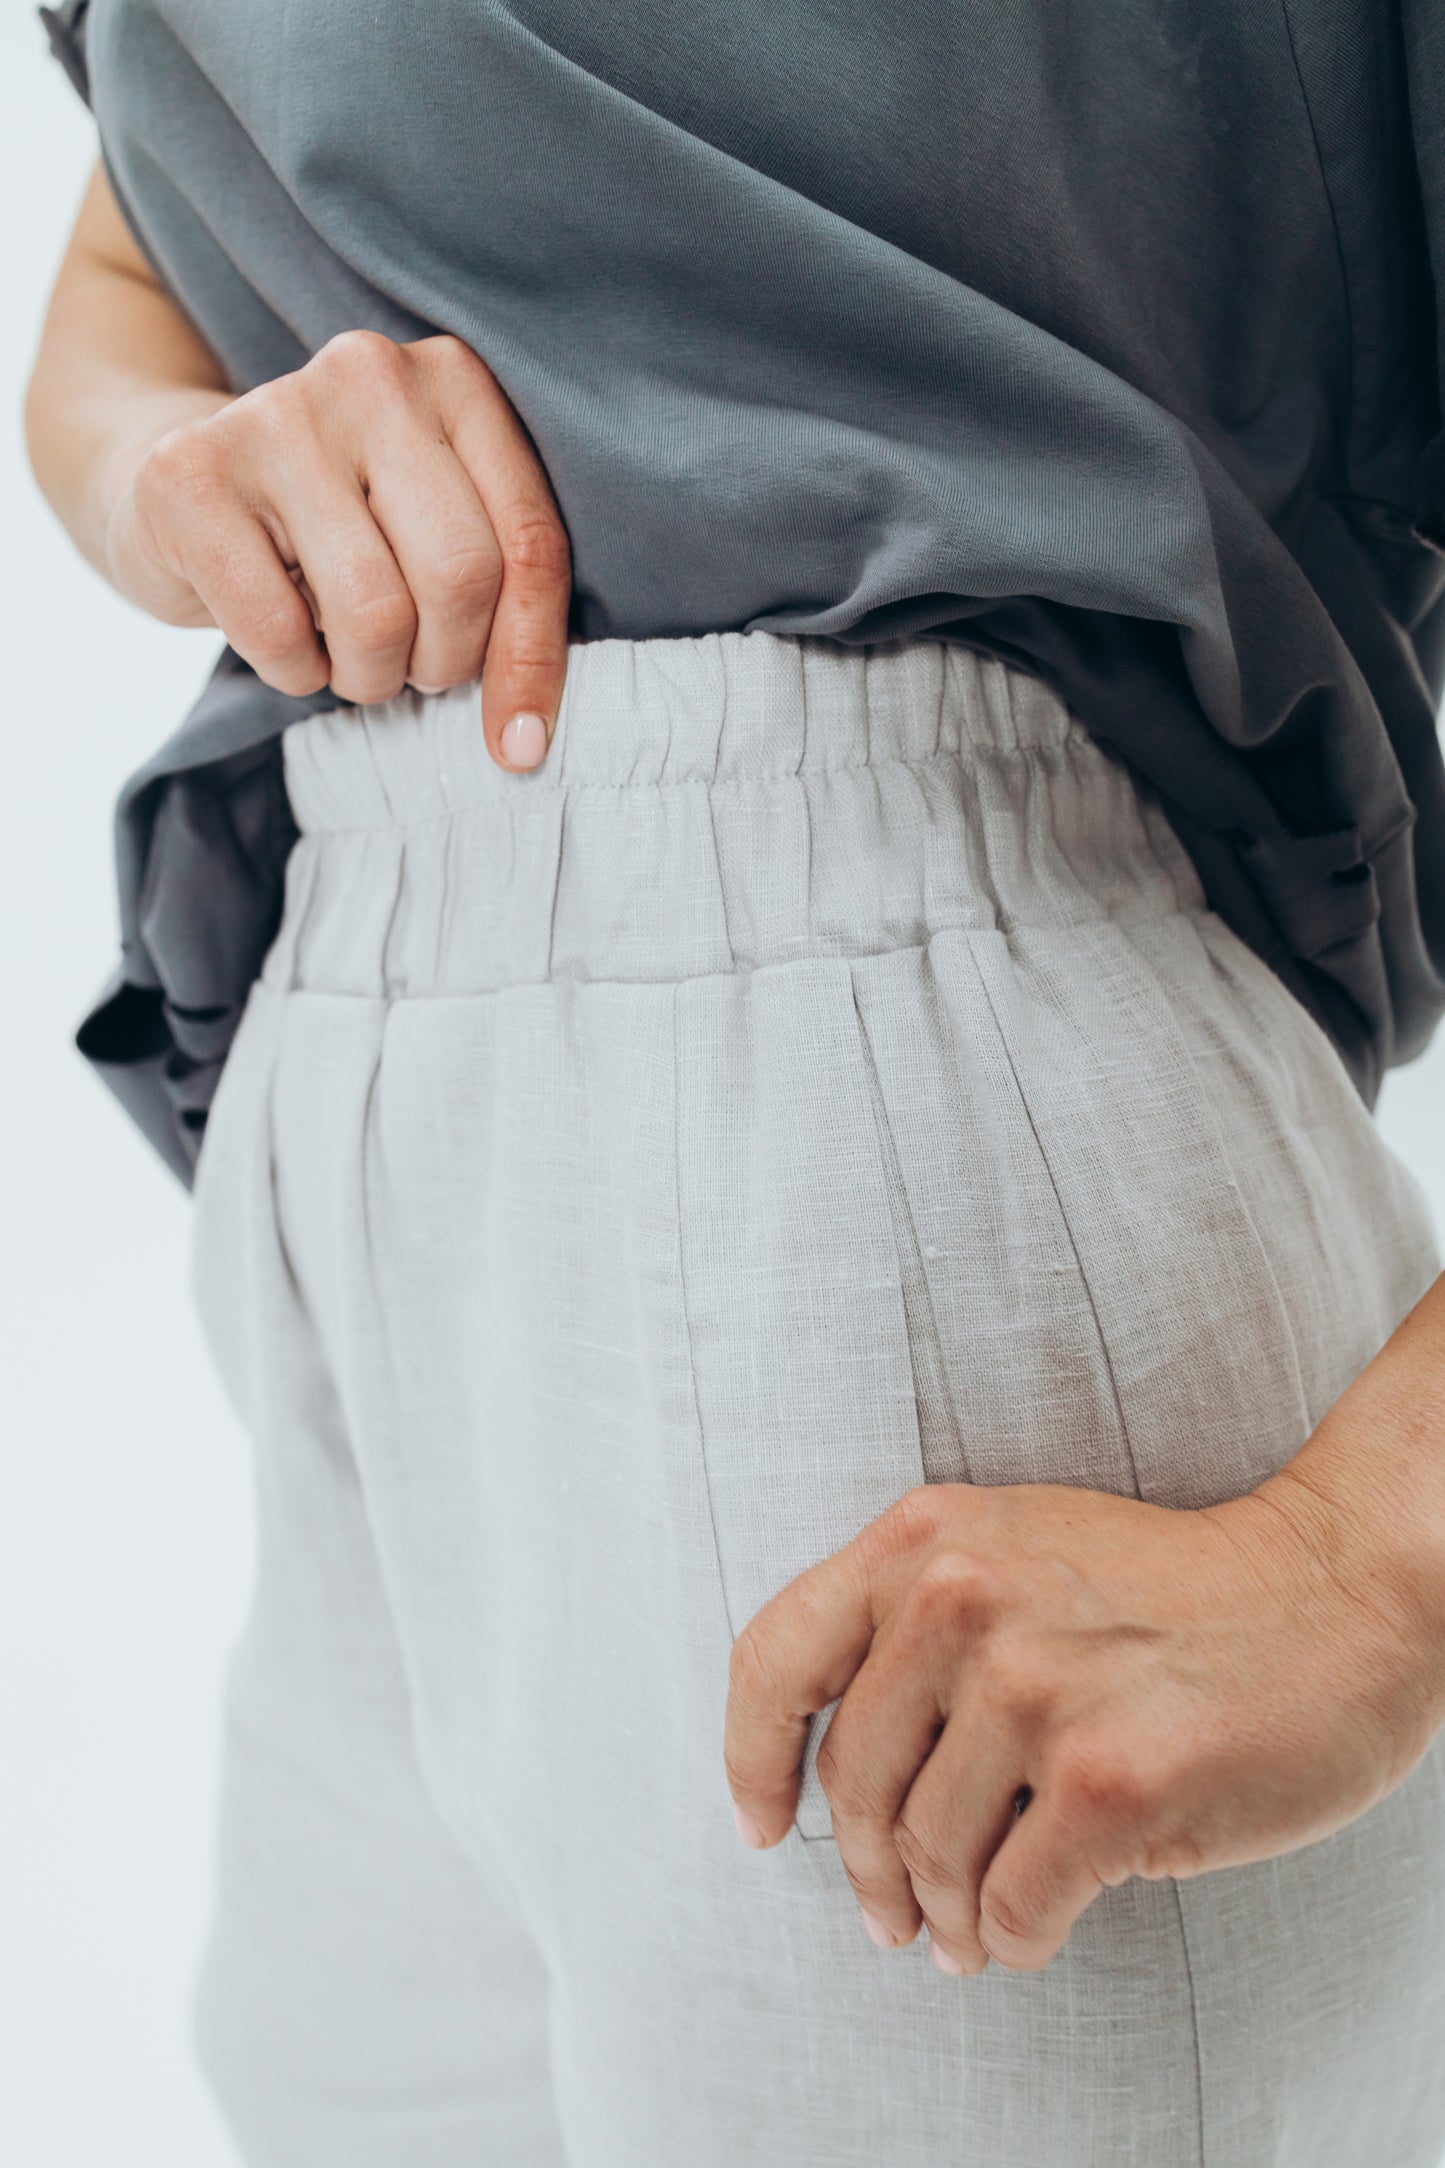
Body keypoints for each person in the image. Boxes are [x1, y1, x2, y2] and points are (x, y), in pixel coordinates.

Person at [23, 3, 1445, 2162]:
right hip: (365, 1168)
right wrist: (172, 469)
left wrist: (1376, 1560)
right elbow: (157, 205)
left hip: (923, 1169)